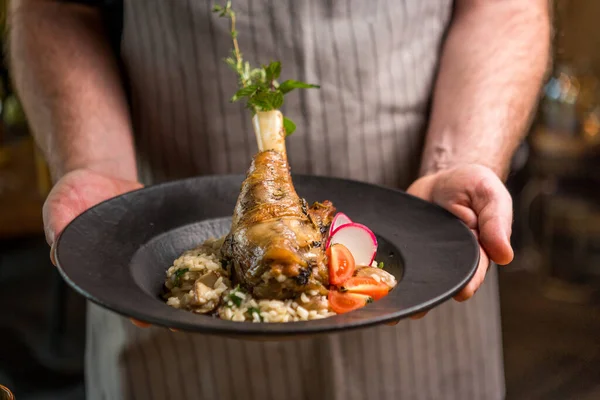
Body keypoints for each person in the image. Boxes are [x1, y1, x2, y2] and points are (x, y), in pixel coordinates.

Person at [9, 0, 550, 399]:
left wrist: (455, 161)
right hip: (159, 277)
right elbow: (56, 7)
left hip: (419, 274)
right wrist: (98, 166)